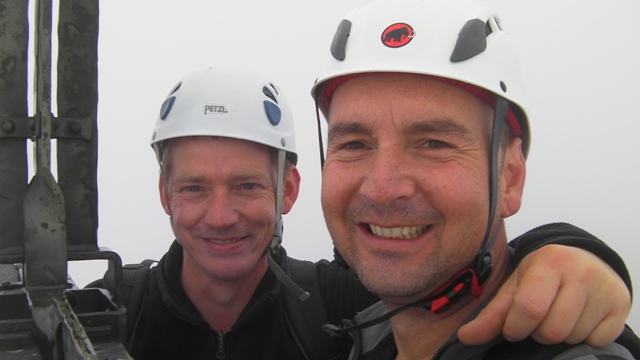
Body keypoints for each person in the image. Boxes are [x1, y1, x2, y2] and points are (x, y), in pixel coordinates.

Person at [101, 66, 635, 360]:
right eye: (193, 188)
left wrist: (563, 252)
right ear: (164, 195)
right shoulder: (108, 311)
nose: (220, 217)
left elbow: (444, 278)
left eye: (246, 186)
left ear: (288, 191)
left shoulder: (339, 308)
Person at [310, 0, 639, 358]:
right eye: (354, 144)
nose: (382, 188)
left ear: (510, 178)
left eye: (433, 144)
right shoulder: (363, 334)